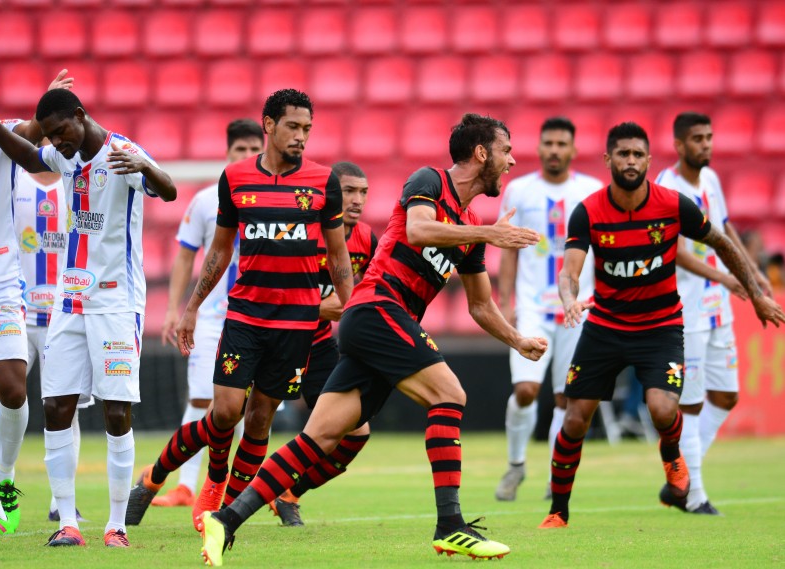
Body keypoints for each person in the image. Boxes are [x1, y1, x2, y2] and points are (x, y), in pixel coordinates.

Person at [199, 113, 547, 566]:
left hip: (381, 324)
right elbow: (419, 230)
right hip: (377, 309)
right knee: (450, 395)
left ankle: (225, 519)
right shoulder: (430, 181)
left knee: (319, 437)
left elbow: (479, 306)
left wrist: (517, 340)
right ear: (482, 153)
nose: (512, 160)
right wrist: (489, 232)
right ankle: (451, 527)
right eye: (506, 151)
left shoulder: (471, 227)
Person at [125, 89, 353, 535]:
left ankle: (224, 515)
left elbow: (339, 256)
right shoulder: (236, 179)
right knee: (225, 411)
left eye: (307, 128)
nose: (301, 136)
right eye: (293, 126)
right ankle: (161, 478)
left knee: (262, 416)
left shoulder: (323, 182)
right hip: (246, 315)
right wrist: (191, 308)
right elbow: (219, 250)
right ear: (268, 125)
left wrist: (355, 306)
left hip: (297, 323)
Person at [538, 122, 785, 529]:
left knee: (662, 407)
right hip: (605, 326)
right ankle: (558, 511)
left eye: (637, 154)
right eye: (623, 154)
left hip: (661, 326)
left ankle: (672, 457)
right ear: (608, 160)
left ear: (649, 160)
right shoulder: (589, 211)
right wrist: (568, 299)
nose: (630, 161)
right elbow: (570, 272)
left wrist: (755, 292)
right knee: (575, 417)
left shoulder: (673, 204)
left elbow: (721, 242)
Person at [0, 87, 178, 546]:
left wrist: (149, 169)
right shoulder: (65, 156)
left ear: (80, 117)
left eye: (61, 132)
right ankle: (67, 521)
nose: (56, 143)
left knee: (116, 412)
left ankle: (117, 525)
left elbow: (169, 190)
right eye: (53, 136)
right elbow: (28, 156)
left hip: (117, 304)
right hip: (69, 301)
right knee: (56, 407)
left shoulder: (122, 153)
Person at [0, 55, 72, 537]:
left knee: (12, 386)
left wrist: (51, 102)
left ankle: (3, 479)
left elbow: (34, 128)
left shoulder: (3, 135)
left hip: (1, 280)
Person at [655, 112, 774, 515]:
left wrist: (754, 273)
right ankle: (693, 495)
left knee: (725, 396)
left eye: (709, 137)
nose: (705, 145)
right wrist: (724, 278)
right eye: (697, 139)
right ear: (678, 144)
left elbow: (723, 231)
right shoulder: (667, 189)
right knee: (690, 404)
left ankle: (680, 475)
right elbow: (676, 251)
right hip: (686, 310)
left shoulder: (711, 180)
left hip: (717, 309)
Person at [151, 119, 264, 509]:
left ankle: (243, 488)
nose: (248, 158)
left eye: (254, 151)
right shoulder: (205, 201)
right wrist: (174, 309)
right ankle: (186, 486)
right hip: (215, 316)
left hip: (260, 317)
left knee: (250, 408)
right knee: (203, 399)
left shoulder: (272, 197)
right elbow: (185, 257)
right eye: (240, 151)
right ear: (228, 154)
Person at [494, 117, 602, 502]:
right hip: (532, 309)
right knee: (525, 390)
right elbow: (507, 250)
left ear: (572, 149)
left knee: (566, 398)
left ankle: (556, 474)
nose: (555, 150)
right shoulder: (519, 191)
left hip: (578, 310)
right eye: (549, 143)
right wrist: (506, 303)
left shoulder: (592, 191)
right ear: (538, 148)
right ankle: (516, 465)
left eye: (562, 144)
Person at [267, 160, 377, 526]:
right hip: (274, 338)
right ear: (331, 194)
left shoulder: (367, 239)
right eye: (349, 191)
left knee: (356, 433)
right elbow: (279, 294)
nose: (357, 200)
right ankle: (152, 482)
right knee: (229, 419)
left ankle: (289, 494)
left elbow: (368, 294)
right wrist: (332, 306)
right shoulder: (303, 232)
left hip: (318, 345)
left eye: (363, 192)